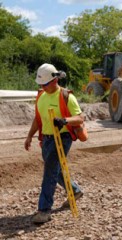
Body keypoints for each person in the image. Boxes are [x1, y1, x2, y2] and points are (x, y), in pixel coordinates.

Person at [24, 63, 84, 224]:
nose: (42, 87)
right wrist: (30, 136)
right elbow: (38, 119)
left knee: (49, 172)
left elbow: (80, 118)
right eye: (40, 84)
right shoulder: (41, 96)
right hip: (46, 138)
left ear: (54, 80)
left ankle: (44, 211)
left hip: (62, 137)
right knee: (54, 171)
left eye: (45, 84)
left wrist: (64, 121)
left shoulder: (66, 96)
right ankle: (75, 191)